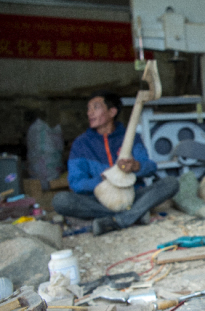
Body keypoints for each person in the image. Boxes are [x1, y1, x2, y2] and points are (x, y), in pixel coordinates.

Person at [53, 91, 179, 236]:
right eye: (89, 109)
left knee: (171, 183)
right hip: (98, 200)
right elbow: (75, 183)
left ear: (112, 111)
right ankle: (132, 215)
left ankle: (118, 220)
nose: (90, 113)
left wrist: (136, 166)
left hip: (132, 196)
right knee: (60, 200)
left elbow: (151, 167)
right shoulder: (81, 144)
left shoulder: (131, 137)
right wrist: (104, 179)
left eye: (96, 107)